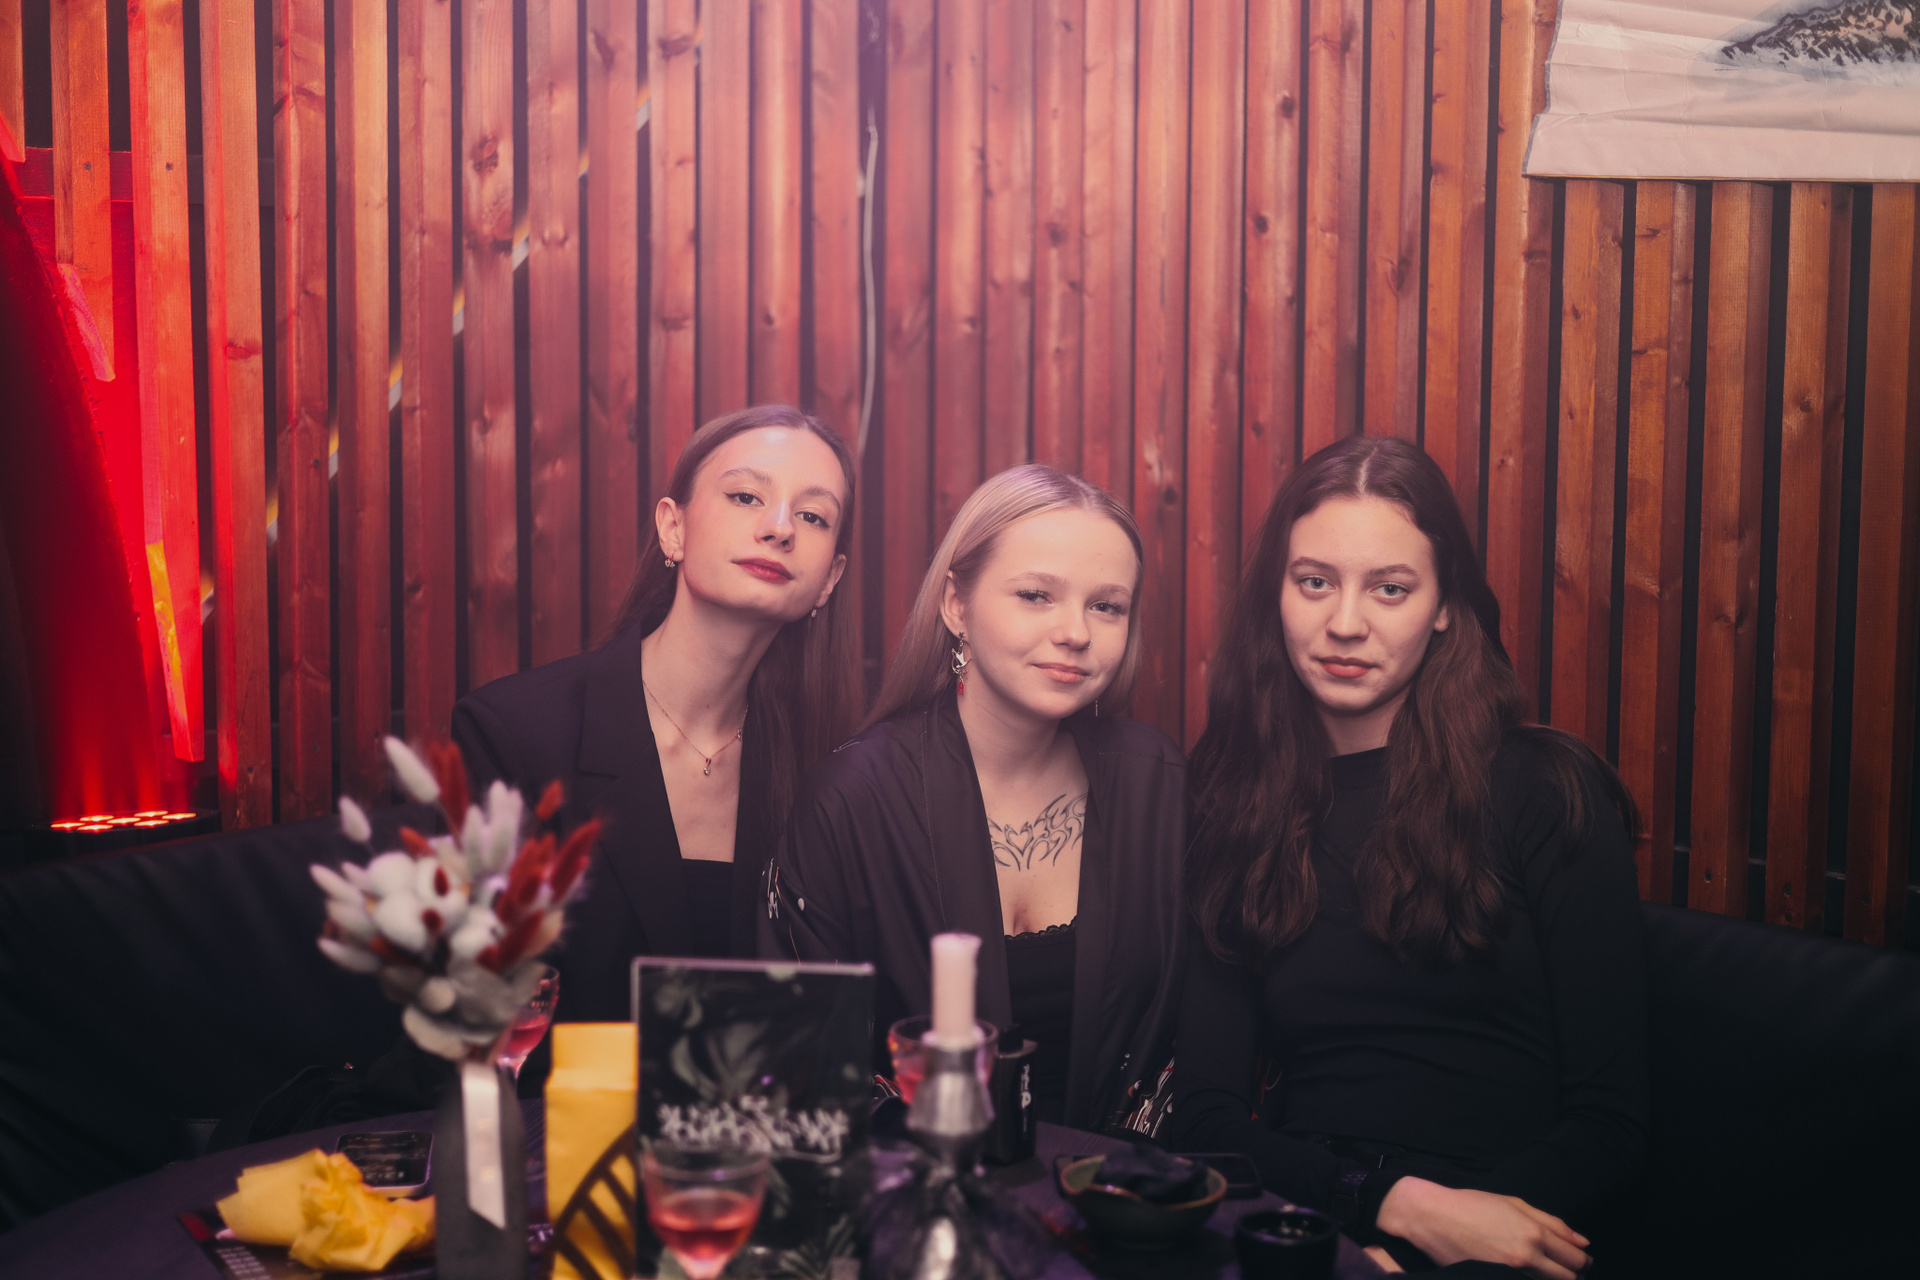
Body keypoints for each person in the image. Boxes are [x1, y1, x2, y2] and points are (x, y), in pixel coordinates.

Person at [1164, 436, 1645, 1278]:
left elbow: (1613, 1125)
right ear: (1277, 593)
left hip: (1508, 1232)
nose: (1346, 623)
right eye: (1314, 582)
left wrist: (1433, 1247)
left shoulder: (1544, 789)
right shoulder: (1235, 794)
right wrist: (1381, 1212)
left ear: (1445, 604)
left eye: (1390, 588)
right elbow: (1206, 1119)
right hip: (1313, 1221)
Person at [760, 465, 1184, 1131]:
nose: (1076, 632)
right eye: (1036, 595)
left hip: (1117, 1185)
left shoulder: (1155, 783)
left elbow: (1196, 1046)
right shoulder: (853, 801)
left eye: (1106, 606)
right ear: (957, 605)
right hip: (921, 1182)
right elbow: (799, 1068)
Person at [452, 404, 861, 1030]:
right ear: (673, 529)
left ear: (829, 580)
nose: (781, 528)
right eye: (746, 497)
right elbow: (475, 1021)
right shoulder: (514, 735)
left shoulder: (830, 766)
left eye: (812, 516)